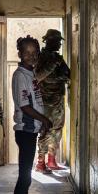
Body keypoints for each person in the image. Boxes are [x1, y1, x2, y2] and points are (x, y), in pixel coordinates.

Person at [9, 35, 52, 194]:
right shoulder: (20, 76)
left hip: (30, 130)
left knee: (23, 178)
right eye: (27, 53)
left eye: (35, 53)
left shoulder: (30, 73)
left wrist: (40, 123)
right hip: (25, 132)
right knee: (25, 178)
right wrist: (43, 119)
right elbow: (25, 106)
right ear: (19, 54)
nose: (32, 56)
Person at [34, 29, 70, 172]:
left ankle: (52, 160)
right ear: (49, 41)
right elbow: (38, 77)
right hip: (45, 101)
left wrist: (59, 75)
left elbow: (68, 75)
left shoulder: (58, 57)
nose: (59, 44)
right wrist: (53, 66)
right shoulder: (41, 57)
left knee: (57, 131)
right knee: (45, 130)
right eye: (57, 41)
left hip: (58, 100)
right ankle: (40, 162)